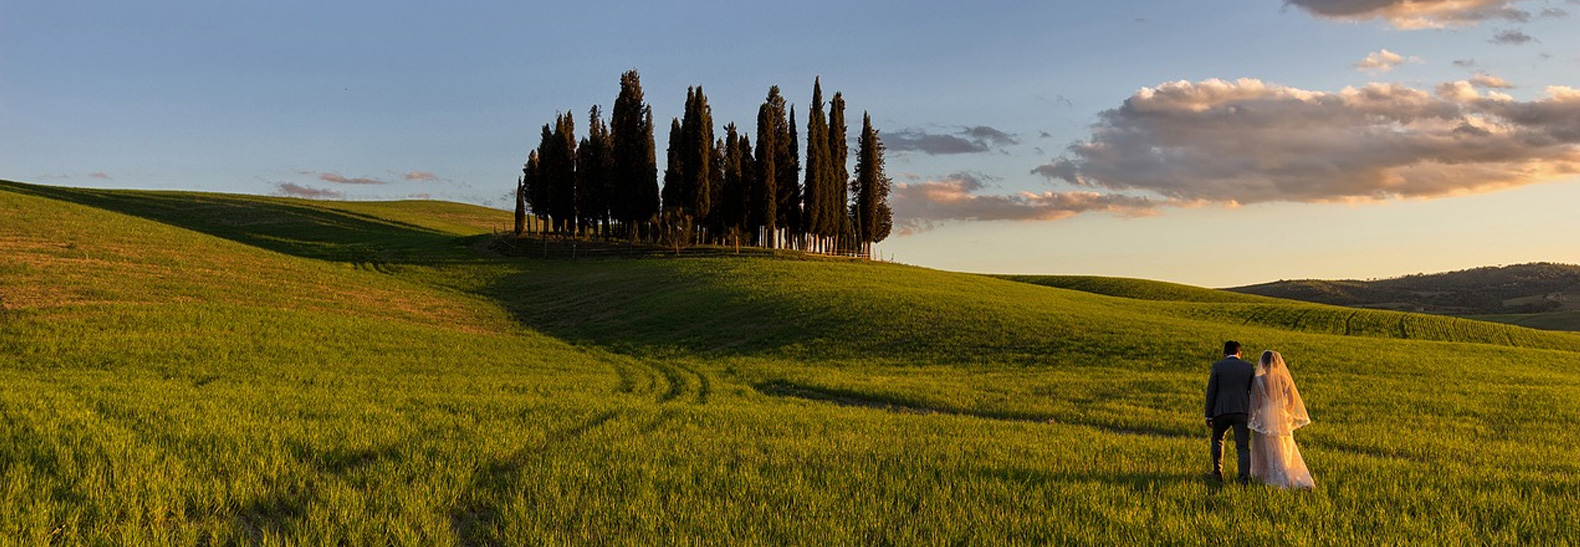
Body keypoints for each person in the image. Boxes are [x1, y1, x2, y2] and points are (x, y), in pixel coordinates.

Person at [1248, 350, 1316, 489]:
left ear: (1264, 364)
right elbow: (1291, 400)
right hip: (1281, 416)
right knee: (1283, 448)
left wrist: (1254, 416)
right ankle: (1286, 475)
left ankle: (1267, 476)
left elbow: (1258, 402)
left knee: (1265, 448)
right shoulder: (1285, 380)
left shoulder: (1259, 380)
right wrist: (1285, 411)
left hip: (1266, 417)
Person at [1204, 340, 1256, 483]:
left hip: (1221, 412)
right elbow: (1254, 391)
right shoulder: (1248, 367)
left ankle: (1217, 473)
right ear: (1239, 353)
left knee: (1218, 440)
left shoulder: (1218, 367)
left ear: (1224, 353)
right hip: (1242, 412)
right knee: (1242, 447)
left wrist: (1208, 414)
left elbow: (1211, 392)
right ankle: (1244, 479)